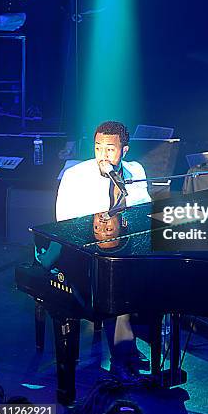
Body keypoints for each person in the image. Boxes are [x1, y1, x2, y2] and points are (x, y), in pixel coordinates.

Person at [54, 121, 150, 381]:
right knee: (116, 289)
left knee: (153, 278)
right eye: (98, 148)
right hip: (83, 254)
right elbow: (63, 222)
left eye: (110, 149)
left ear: (124, 150)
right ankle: (122, 358)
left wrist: (120, 184)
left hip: (123, 250)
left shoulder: (135, 170)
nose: (103, 155)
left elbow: (144, 209)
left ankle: (128, 349)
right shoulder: (76, 175)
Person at [48, 0, 118, 159]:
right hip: (71, 22)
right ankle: (71, 138)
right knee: (71, 79)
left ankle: (98, 138)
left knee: (92, 79)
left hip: (94, 24)